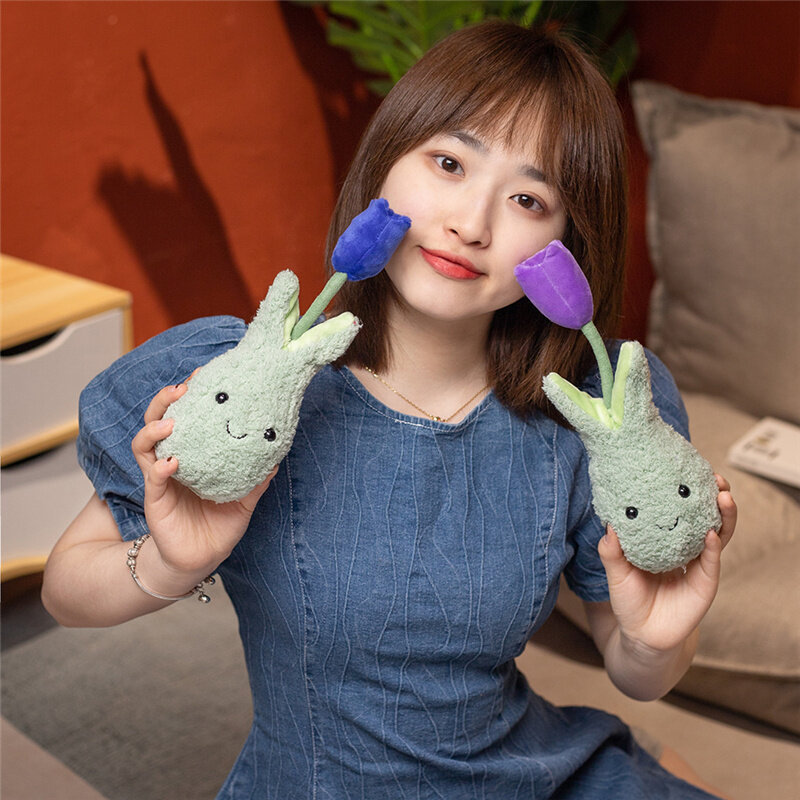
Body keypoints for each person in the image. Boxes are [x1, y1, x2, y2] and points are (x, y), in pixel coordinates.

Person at [42, 21, 737, 799]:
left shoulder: (591, 418)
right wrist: (173, 562)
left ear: (565, 245)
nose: (471, 224)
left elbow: (639, 671)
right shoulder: (236, 383)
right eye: (449, 163)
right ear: (386, 161)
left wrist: (657, 639)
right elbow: (64, 590)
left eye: (527, 198)